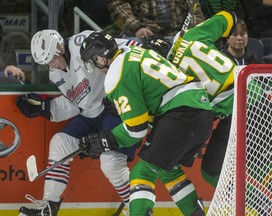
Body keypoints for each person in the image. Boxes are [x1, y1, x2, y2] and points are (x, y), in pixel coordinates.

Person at [79, 32, 213, 215]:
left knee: (142, 172)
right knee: (168, 170)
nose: (94, 67)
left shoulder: (116, 74)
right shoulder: (135, 52)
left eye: (92, 62)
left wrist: (106, 139)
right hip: (201, 109)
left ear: (100, 58)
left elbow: (136, 130)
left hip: (180, 113)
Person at [16, 29, 139, 216]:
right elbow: (78, 102)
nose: (52, 65)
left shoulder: (83, 42)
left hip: (115, 108)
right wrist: (45, 107)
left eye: (52, 59)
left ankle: (138, 208)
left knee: (111, 163)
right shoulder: (55, 73)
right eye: (46, 63)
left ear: (60, 46)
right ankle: (49, 205)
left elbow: (125, 48)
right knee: (60, 142)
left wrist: (121, 89)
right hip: (91, 115)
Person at [166, 10, 237, 188]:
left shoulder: (170, 75)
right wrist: (220, 38)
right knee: (262, 168)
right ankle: (268, 209)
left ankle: (263, 209)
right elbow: (230, 16)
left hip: (237, 111)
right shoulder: (192, 35)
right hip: (256, 97)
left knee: (213, 173)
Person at [106, 0, 204, 41]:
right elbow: (117, 7)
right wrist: (137, 28)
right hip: (143, 36)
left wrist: (193, 32)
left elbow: (194, 9)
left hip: (179, 36)